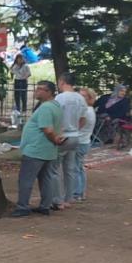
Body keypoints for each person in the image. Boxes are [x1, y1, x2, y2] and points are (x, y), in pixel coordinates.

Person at [12, 81, 68, 217]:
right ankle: (45, 206)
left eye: (40, 89)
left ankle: (22, 207)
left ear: (49, 92)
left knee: (26, 179)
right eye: (37, 88)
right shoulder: (55, 106)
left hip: (36, 149)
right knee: (46, 178)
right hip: (48, 150)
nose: (37, 91)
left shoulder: (46, 108)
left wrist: (54, 139)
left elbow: (47, 129)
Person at [54, 73, 86, 209]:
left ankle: (58, 199)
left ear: (62, 82)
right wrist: (76, 129)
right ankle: (69, 197)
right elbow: (83, 118)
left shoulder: (60, 98)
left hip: (63, 135)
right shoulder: (80, 98)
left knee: (55, 169)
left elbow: (56, 116)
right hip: (75, 135)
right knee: (70, 168)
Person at [73, 89, 96, 202]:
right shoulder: (89, 110)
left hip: (80, 142)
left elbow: (76, 126)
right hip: (84, 141)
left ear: (89, 98)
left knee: (76, 168)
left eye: (83, 96)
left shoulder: (85, 111)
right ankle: (80, 192)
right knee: (79, 168)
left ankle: (77, 193)